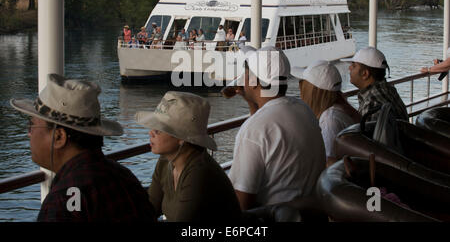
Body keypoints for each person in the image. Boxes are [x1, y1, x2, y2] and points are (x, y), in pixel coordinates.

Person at [9, 74, 156, 222]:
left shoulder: (63, 200)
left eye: (31, 125)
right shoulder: (123, 176)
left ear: (59, 137)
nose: (29, 134)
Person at [222, 46, 325, 210]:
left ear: (254, 82)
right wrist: (251, 102)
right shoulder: (303, 109)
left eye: (246, 74)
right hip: (312, 212)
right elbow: (266, 120)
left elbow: (241, 204)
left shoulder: (254, 130)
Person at [136, 91, 241, 222]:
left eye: (158, 130)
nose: (150, 133)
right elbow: (149, 209)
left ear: (182, 138)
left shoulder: (199, 172)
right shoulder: (166, 160)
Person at [291, 61, 360, 166]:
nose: (300, 86)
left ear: (312, 91)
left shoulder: (329, 120)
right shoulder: (341, 109)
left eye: (302, 83)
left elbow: (330, 162)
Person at [341, 46, 408, 122]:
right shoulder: (389, 89)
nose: (349, 68)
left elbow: (367, 132)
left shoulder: (372, 104)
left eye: (354, 66)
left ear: (365, 74)